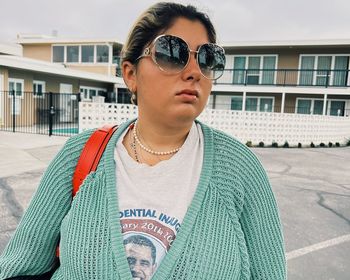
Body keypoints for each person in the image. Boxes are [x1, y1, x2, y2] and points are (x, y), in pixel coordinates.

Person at [0, 2, 286, 279]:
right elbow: (20, 268)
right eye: (172, 53)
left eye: (207, 58)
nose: (194, 72)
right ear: (130, 74)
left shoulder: (240, 170)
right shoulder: (80, 155)